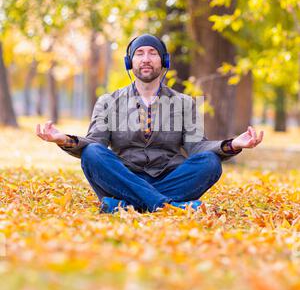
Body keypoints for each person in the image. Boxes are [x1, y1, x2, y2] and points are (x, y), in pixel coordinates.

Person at [36, 33, 264, 214]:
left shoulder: (184, 103)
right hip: (124, 177)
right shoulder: (108, 101)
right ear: (130, 61)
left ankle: (125, 205)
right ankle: (168, 207)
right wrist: (63, 139)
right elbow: (96, 143)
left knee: (210, 162)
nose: (146, 58)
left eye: (153, 53)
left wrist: (233, 144)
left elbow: (198, 147)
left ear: (163, 61)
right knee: (92, 154)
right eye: (140, 53)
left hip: (170, 177)